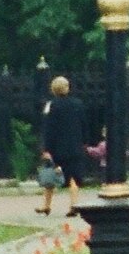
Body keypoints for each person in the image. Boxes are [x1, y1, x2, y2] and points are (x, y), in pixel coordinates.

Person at [36, 75, 93, 213]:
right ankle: (73, 205)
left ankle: (46, 205)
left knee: (51, 175)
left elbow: (48, 129)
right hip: (75, 146)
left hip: (57, 148)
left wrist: (46, 148)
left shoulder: (51, 106)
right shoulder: (78, 104)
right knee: (73, 177)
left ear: (53, 89)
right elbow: (84, 125)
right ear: (67, 88)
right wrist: (85, 142)